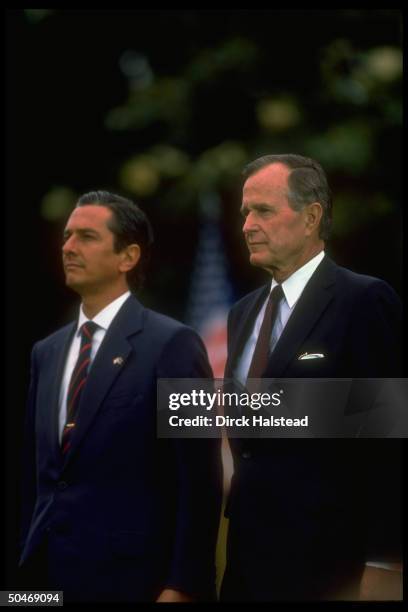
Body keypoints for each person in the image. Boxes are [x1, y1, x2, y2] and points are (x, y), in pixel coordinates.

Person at [19, 191, 222, 603]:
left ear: (127, 257)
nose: (69, 247)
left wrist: (183, 585)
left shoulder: (174, 344)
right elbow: (37, 477)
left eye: (87, 237)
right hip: (45, 580)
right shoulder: (47, 352)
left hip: (134, 582)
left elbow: (199, 479)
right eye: (67, 236)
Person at [220, 155, 402, 601]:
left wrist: (385, 562)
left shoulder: (363, 300)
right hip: (248, 564)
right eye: (246, 212)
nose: (247, 225)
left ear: (311, 217)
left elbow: (389, 443)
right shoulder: (243, 313)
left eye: (263, 210)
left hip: (330, 567)